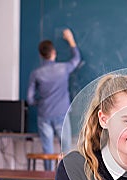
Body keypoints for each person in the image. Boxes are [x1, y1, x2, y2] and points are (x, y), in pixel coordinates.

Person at [27, 28, 81, 170]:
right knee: (66, 150)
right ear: (54, 53)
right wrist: (70, 40)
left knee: (47, 150)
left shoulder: (36, 73)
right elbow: (76, 59)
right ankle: (65, 178)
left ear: (41, 55)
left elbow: (30, 99)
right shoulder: (63, 68)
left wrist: (41, 102)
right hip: (62, 113)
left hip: (44, 115)